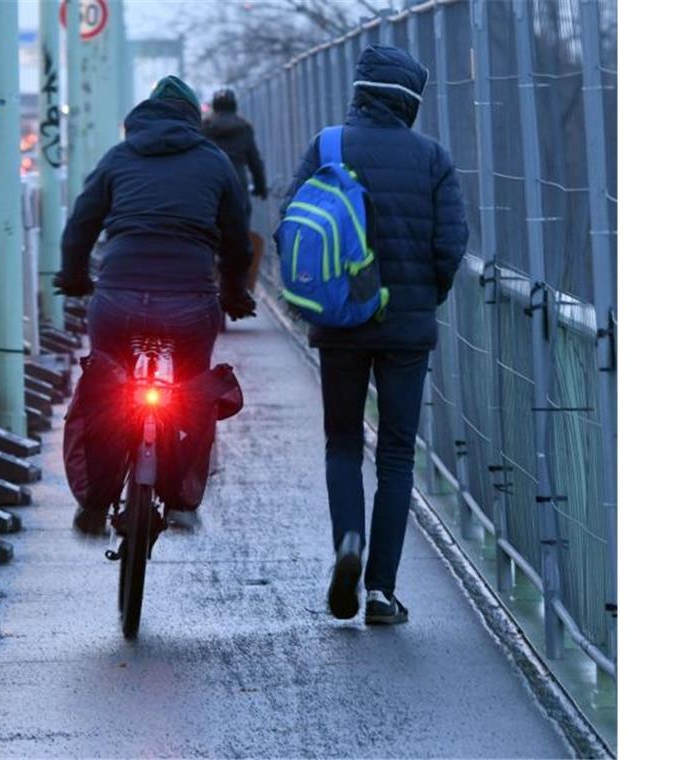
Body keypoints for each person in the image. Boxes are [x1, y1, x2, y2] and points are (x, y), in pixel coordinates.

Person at [281, 45, 468, 625]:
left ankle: (348, 544)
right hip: (406, 331)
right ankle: (382, 593)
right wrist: (423, 299)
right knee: (394, 455)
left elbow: (290, 219)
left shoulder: (328, 145)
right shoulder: (432, 157)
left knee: (342, 443)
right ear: (410, 101)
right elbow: (450, 244)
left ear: (360, 93)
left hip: (339, 323)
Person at [54, 75, 257, 536]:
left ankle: (95, 501)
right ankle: (183, 502)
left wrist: (75, 276)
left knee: (104, 386)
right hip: (189, 300)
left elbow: (81, 225)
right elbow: (237, 239)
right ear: (193, 119)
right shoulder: (214, 161)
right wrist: (233, 291)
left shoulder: (119, 158)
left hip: (119, 297)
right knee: (192, 390)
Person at [203, 89, 268, 219]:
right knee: (240, 221)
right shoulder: (244, 127)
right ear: (234, 105)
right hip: (237, 180)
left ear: (214, 106)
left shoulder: (205, 127)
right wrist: (260, 187)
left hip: (212, 182)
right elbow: (254, 161)